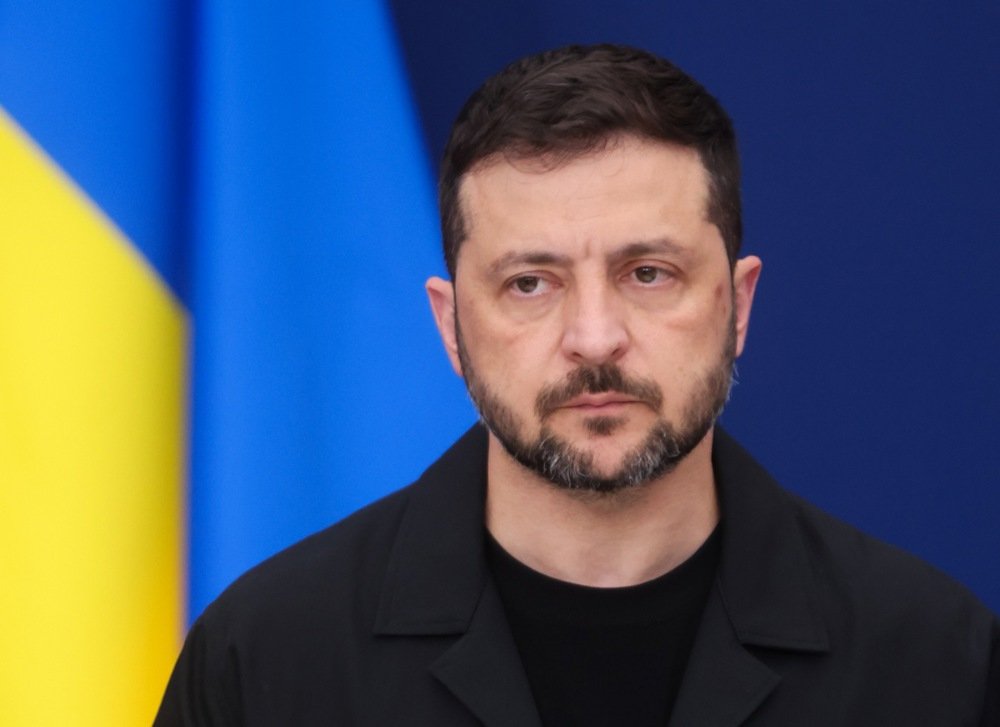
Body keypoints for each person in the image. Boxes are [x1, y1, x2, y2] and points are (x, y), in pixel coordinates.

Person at [155, 44, 999, 726]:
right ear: (450, 326)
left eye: (649, 272)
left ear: (738, 304)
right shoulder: (266, 659)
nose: (594, 337)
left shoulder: (934, 660)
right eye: (531, 282)